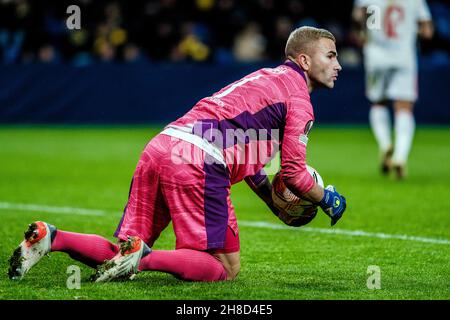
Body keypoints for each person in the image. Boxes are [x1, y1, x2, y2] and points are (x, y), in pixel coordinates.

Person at [8, 26, 347, 283]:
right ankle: (142, 259)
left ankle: (51, 237)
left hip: (162, 146)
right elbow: (294, 174)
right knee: (223, 268)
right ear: (304, 60)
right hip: (200, 159)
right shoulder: (299, 99)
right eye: (331, 55)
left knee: (124, 249)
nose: (338, 65)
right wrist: (327, 198)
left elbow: (254, 163)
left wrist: (274, 203)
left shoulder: (264, 78)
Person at [352, 0, 434, 179]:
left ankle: (385, 144)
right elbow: (427, 31)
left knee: (378, 103)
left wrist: (366, 32)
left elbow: (360, 17)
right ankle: (400, 156)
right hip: (403, 56)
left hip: (376, 56)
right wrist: (411, 31)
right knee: (404, 107)